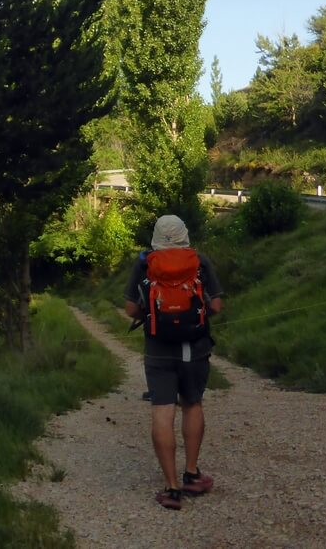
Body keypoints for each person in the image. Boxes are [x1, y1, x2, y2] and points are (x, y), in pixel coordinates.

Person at [123, 214, 225, 511]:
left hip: (158, 348)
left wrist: (153, 312)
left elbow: (131, 308)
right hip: (195, 347)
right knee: (192, 404)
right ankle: (192, 474)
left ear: (156, 237)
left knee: (162, 411)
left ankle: (171, 488)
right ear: (184, 234)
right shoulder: (199, 261)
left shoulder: (145, 263)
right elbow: (216, 305)